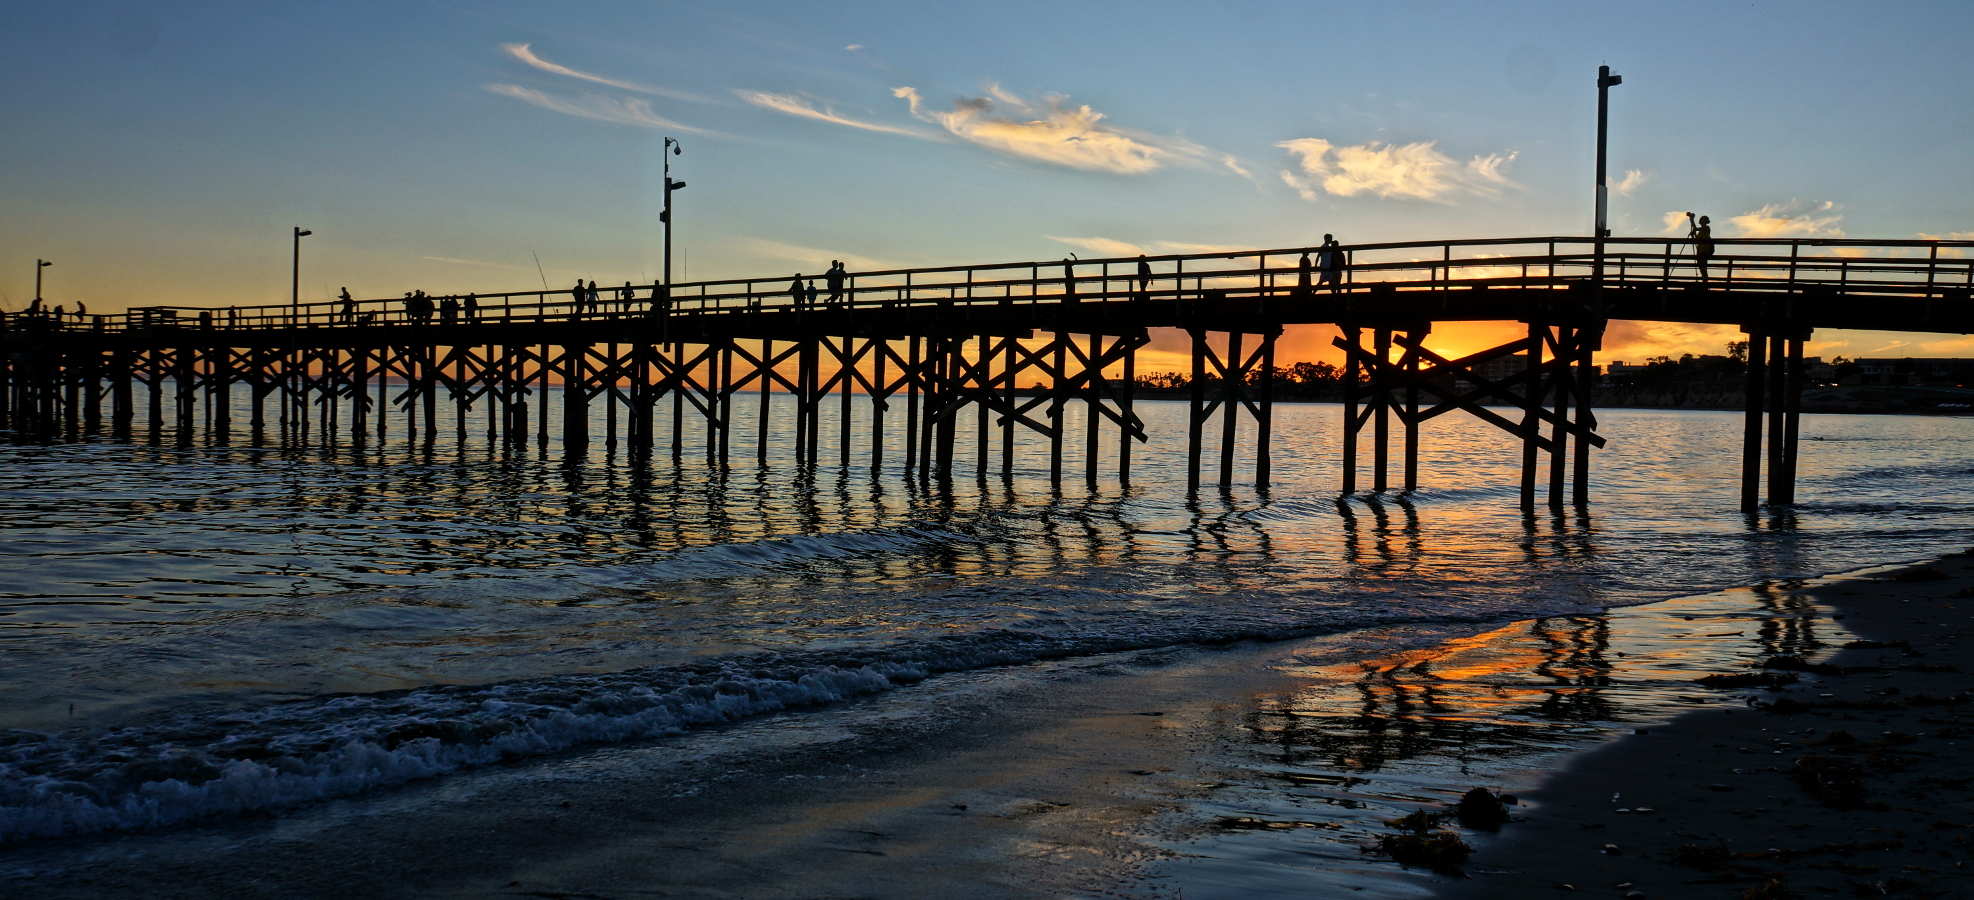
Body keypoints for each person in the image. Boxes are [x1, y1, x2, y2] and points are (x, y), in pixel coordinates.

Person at [1688, 213, 1714, 282]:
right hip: (1700, 250)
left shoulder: (1707, 228)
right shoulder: (1702, 231)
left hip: (1704, 251)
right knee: (1701, 268)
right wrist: (1694, 235)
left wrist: (1691, 219)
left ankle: (1705, 282)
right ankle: (1704, 282)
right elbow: (1698, 239)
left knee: (1703, 268)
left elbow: (1696, 228)